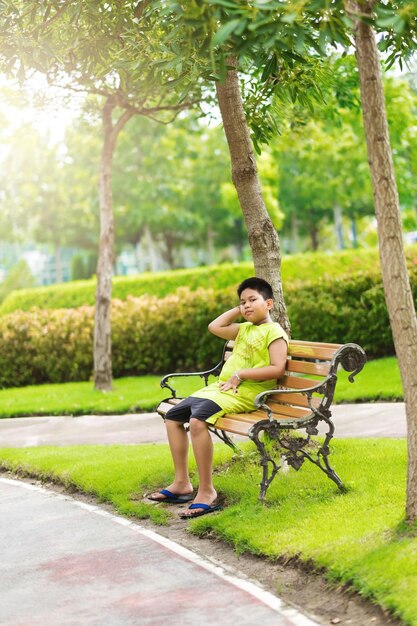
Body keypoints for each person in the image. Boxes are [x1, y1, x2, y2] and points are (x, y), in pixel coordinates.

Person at [148, 277, 288, 519]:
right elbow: (214, 327)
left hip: (249, 394)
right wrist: (241, 309)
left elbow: (277, 369)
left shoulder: (274, 331)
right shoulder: (243, 329)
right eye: (242, 302)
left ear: (269, 304)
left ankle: (207, 491)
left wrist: (241, 374)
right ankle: (181, 483)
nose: (246, 306)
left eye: (252, 300)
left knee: (197, 421)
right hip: (222, 390)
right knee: (173, 416)